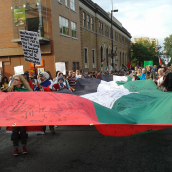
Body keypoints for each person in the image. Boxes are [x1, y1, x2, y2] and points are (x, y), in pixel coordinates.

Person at [8, 75, 32, 156]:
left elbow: (31, 102)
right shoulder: (10, 91)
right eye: (14, 80)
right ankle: (15, 148)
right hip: (13, 116)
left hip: (23, 116)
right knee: (14, 132)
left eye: (16, 80)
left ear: (21, 82)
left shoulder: (26, 91)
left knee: (23, 131)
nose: (14, 81)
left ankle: (24, 146)